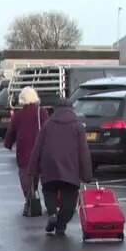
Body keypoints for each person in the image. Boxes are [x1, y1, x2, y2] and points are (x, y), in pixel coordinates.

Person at [30, 96, 94, 237]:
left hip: (49, 164)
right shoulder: (78, 126)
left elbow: (37, 147)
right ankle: (61, 224)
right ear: (71, 109)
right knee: (69, 198)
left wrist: (33, 168)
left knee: (49, 190)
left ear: (55, 109)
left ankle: (52, 213)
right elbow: (83, 152)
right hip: (70, 167)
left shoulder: (48, 124)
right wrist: (87, 174)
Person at [2, 87, 48, 218]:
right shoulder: (42, 112)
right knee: (38, 175)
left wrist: (8, 144)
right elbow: (47, 130)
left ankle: (29, 198)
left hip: (24, 152)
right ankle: (36, 197)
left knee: (25, 176)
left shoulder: (18, 116)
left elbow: (11, 133)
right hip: (40, 152)